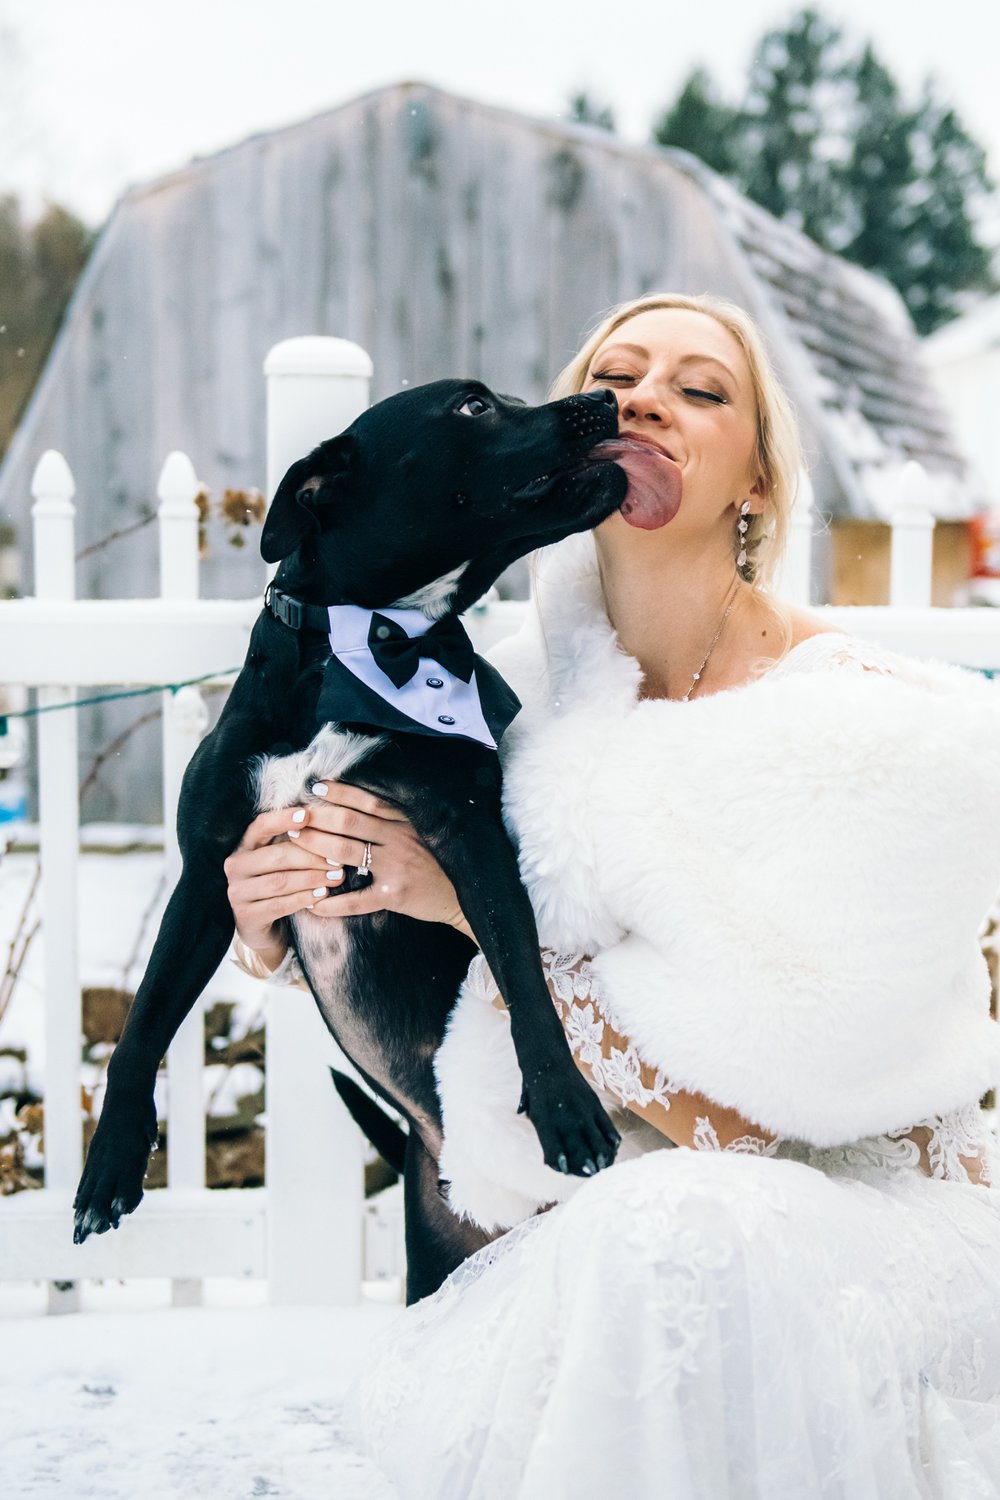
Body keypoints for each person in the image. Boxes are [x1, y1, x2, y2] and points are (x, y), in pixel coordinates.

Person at [227, 294, 1000, 1498]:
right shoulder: (504, 709)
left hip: (860, 1229)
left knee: (669, 1238)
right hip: (599, 1239)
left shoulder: (881, 730)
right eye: (618, 377)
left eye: (699, 391)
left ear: (755, 480)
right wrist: (273, 920)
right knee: (636, 1245)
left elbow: (755, 1117)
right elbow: (416, 1011)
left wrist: (467, 909)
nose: (644, 399)